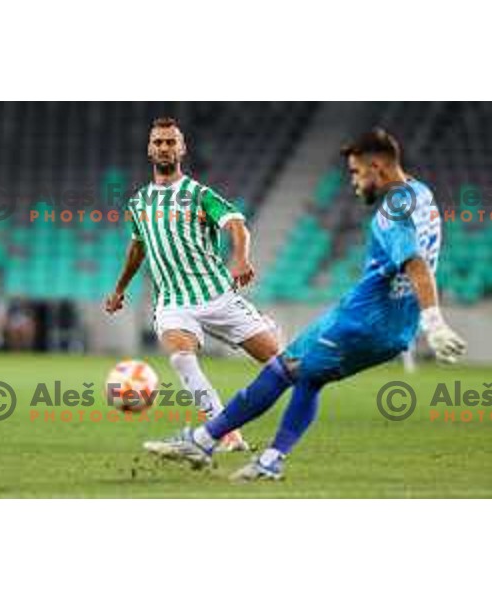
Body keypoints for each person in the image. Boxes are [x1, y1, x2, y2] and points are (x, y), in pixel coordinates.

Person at [143, 128, 467, 479]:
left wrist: (434, 321)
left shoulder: (393, 210)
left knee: (283, 370)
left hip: (361, 320)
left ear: (378, 167)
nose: (355, 183)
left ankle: (205, 440)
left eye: (357, 172)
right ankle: (266, 459)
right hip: (397, 332)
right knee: (308, 379)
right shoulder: (423, 194)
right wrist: (424, 322)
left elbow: (414, 262)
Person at [105, 117, 281, 451]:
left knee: (280, 363)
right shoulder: (139, 202)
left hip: (217, 296)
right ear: (149, 149)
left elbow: (237, 225)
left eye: (171, 142)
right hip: (172, 302)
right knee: (181, 359)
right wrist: (119, 289)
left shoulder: (199, 195)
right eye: (158, 142)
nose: (164, 147)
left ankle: (267, 330)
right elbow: (138, 247)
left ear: (182, 148)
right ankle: (227, 434)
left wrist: (241, 258)